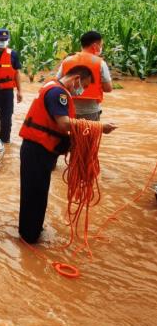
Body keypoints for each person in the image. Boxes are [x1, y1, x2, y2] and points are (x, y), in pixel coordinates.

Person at [19, 65, 117, 243]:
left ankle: (31, 231)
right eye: (83, 86)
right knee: (34, 194)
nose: (81, 90)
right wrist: (99, 127)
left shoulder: (52, 86)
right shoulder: (59, 93)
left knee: (36, 193)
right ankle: (29, 238)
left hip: (39, 148)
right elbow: (64, 124)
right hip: (37, 150)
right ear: (76, 78)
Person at [57, 30, 113, 121]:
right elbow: (108, 88)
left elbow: (57, 83)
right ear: (95, 46)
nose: (101, 48)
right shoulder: (100, 63)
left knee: (71, 134)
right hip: (91, 111)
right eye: (101, 45)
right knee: (90, 134)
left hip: (69, 110)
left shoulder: (67, 61)